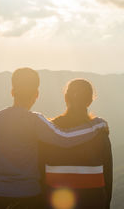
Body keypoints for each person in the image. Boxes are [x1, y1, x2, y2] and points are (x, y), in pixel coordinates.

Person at [0, 68, 108, 209]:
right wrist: (97, 125)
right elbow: (66, 138)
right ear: (36, 94)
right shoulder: (35, 121)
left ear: (12, 92)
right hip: (28, 196)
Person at [39, 79, 113, 209]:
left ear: (66, 98)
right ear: (90, 101)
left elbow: (39, 171)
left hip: (55, 201)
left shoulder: (49, 130)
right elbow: (107, 174)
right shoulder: (100, 131)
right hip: (93, 201)